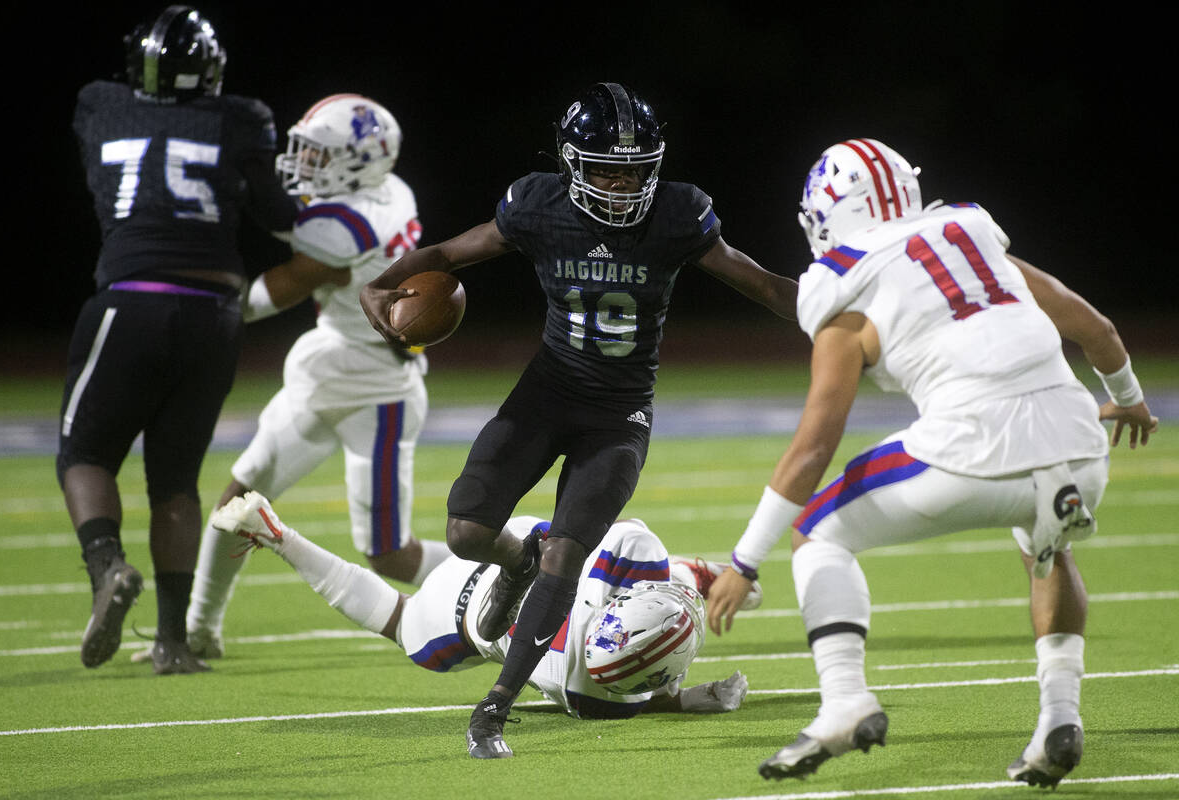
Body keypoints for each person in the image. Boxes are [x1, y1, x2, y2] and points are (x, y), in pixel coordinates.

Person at [359, 82, 797, 757]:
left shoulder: (680, 216)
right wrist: (380, 287)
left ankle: (493, 710)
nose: (621, 185)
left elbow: (761, 282)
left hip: (619, 415)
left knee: (569, 549)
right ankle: (516, 561)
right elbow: (446, 255)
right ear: (571, 164)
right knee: (467, 529)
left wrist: (840, 318)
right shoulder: (537, 207)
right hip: (549, 391)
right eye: (605, 169)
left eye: (634, 169)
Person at [705, 138, 1159, 787]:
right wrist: (1132, 403)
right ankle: (1060, 716)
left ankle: (844, 702)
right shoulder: (970, 233)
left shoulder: (842, 282)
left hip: (973, 448)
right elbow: (1097, 329)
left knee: (817, 533)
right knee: (1048, 548)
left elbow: (813, 446)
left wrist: (745, 562)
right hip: (1080, 447)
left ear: (830, 214)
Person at [61, 5, 298, 675]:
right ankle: (172, 642)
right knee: (175, 482)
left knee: (83, 454)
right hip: (213, 313)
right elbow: (278, 216)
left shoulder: (98, 105)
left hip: (132, 297)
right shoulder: (242, 118)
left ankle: (107, 567)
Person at [172, 93, 446, 663]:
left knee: (391, 556)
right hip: (333, 364)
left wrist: (207, 309)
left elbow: (281, 287)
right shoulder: (390, 191)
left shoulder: (348, 226)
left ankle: (519, 572)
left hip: (378, 391)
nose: (305, 164)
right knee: (238, 499)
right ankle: (196, 630)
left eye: (320, 156)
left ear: (358, 162)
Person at [210, 491, 757, 722]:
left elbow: (629, 534)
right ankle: (280, 538)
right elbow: (647, 691)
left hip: (518, 542)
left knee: (600, 553)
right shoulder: (594, 698)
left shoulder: (636, 557)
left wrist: (678, 579)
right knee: (404, 626)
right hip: (466, 615)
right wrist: (689, 698)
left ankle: (694, 573)